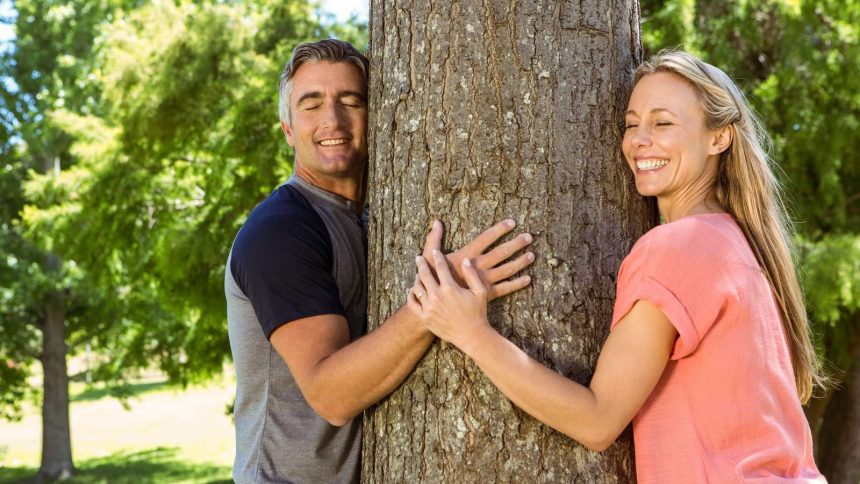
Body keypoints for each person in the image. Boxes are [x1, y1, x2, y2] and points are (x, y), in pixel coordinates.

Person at [409, 50, 827, 483]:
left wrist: (471, 332)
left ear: (718, 138)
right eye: (631, 124)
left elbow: (597, 421)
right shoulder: (737, 245)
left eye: (662, 123)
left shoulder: (679, 246)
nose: (638, 140)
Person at [225, 39, 534, 483]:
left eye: (351, 101)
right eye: (311, 105)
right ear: (288, 129)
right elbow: (330, 395)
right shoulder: (280, 231)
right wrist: (439, 299)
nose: (332, 119)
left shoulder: (374, 218)